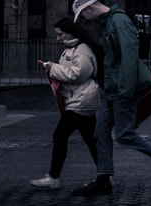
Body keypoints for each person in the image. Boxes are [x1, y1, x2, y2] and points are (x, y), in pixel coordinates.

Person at [67, 0, 151, 197]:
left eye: (84, 16)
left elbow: (129, 57)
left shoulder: (119, 21)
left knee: (124, 135)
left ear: (89, 9)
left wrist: (125, 90)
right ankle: (104, 179)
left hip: (121, 88)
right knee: (100, 132)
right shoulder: (109, 22)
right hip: (112, 89)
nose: (86, 21)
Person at [30, 21, 102, 189]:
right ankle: (105, 175)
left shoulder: (81, 50)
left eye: (60, 34)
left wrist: (52, 68)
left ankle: (54, 177)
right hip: (81, 99)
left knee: (60, 136)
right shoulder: (73, 49)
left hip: (81, 101)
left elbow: (77, 74)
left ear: (71, 33)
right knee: (91, 140)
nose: (58, 38)